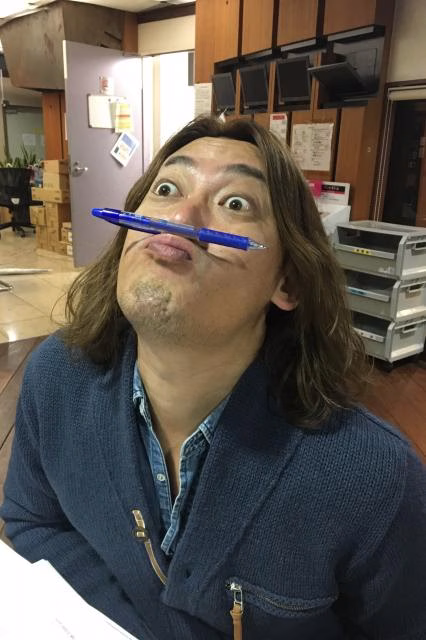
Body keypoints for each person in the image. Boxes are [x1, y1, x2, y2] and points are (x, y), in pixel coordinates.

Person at [1, 116, 425, 640]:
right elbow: (34, 520)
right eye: (165, 190)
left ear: (288, 282)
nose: (180, 216)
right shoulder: (56, 378)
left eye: (235, 202)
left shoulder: (375, 478)